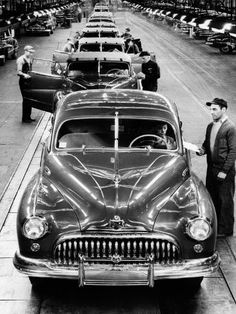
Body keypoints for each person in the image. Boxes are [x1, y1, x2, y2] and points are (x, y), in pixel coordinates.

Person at [197, 98, 236, 237]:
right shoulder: (210, 126)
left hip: (224, 170)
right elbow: (207, 143)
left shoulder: (230, 128)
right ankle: (216, 226)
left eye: (214, 109)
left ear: (223, 110)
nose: (211, 112)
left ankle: (226, 230)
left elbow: (233, 152)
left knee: (225, 200)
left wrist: (224, 171)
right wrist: (202, 150)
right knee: (212, 198)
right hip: (211, 168)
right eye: (210, 109)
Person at [16, 45, 35, 123]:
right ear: (26, 51)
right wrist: (24, 75)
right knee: (25, 99)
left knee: (29, 99)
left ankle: (28, 116)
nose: (31, 54)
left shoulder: (30, 58)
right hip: (23, 81)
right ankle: (25, 118)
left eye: (31, 53)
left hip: (29, 81)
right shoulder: (21, 59)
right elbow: (18, 72)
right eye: (30, 52)